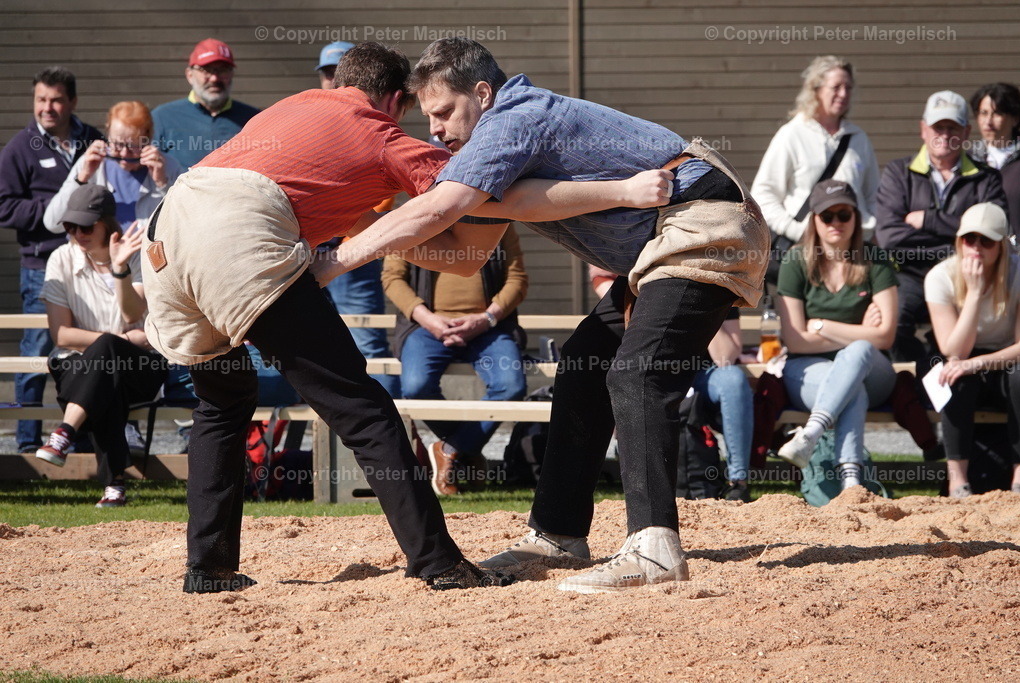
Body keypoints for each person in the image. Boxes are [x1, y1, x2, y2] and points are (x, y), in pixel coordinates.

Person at [142, 42, 669, 594]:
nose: (432, 126)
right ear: (394, 100)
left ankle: (208, 566)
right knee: (363, 410)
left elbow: (423, 240)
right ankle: (438, 561)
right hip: (236, 233)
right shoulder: (382, 133)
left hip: (165, 232)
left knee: (221, 403)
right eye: (422, 112)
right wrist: (622, 191)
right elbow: (496, 197)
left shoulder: (292, 106)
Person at [320, 38, 769, 594]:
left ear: (482, 94)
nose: (433, 128)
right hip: (667, 241)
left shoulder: (512, 118)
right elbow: (462, 254)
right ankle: (558, 533)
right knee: (583, 362)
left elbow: (439, 210)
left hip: (703, 226)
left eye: (442, 112)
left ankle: (655, 548)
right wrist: (360, 224)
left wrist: (331, 262)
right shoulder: (500, 142)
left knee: (638, 371)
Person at [34, 185, 164, 507]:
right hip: (86, 365)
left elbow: (131, 313)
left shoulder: (135, 254)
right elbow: (62, 336)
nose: (77, 233)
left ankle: (64, 432)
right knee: (107, 373)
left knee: (107, 359)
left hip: (140, 366)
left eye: (87, 226)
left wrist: (120, 269)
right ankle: (114, 486)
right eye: (70, 226)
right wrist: (117, 340)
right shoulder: (61, 260)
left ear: (107, 223)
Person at [0, 66, 103, 454]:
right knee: (37, 352)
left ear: (72, 102)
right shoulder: (20, 148)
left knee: (87, 352)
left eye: (57, 99)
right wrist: (61, 211)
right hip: (41, 267)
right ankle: (27, 442)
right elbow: (4, 208)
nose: (48, 108)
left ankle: (82, 439)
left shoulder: (94, 140)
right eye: (41, 99)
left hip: (91, 267)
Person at [773, 180, 898, 490]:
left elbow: (884, 338)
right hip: (807, 369)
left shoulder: (875, 259)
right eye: (827, 216)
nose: (836, 223)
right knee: (850, 386)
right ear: (814, 219)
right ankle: (852, 483)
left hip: (874, 369)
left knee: (858, 353)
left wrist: (821, 325)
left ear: (856, 217)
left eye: (844, 214)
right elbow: (794, 340)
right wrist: (862, 332)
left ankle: (810, 434)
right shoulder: (795, 261)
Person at [383, 229, 528, 496]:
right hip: (426, 326)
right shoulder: (412, 219)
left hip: (489, 326)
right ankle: (467, 451)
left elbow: (517, 279)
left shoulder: (499, 222)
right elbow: (392, 279)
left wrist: (485, 318)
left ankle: (450, 450)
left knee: (510, 386)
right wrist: (428, 319)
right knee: (416, 388)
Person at [875, 90, 1006, 364]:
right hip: (910, 272)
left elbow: (995, 229)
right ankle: (922, 374)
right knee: (893, 320)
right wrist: (959, 236)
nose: (944, 135)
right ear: (923, 130)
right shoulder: (898, 173)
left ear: (967, 131)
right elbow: (889, 238)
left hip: (966, 273)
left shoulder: (987, 179)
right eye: (937, 127)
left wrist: (929, 220)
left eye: (952, 127)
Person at [316, 40, 401, 397]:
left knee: (369, 350)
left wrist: (347, 244)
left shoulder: (376, 129)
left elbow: (382, 199)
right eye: (328, 75)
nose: (334, 83)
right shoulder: (312, 125)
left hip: (356, 259)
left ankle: (392, 438)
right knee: (310, 351)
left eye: (342, 76)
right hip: (308, 254)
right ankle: (307, 446)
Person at [925, 202, 1020, 498]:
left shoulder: (1019, 272)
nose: (976, 248)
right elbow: (952, 348)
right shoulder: (940, 276)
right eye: (970, 239)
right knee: (953, 378)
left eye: (987, 241)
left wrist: (977, 363)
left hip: (1006, 359)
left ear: (1002, 246)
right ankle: (958, 481)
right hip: (964, 358)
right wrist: (975, 293)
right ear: (959, 241)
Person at [751, 56, 879, 279]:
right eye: (836, 87)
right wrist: (802, 233)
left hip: (854, 258)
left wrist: (865, 234)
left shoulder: (859, 139)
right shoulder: (792, 134)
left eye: (848, 87)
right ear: (815, 89)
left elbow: (874, 197)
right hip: (803, 256)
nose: (843, 94)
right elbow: (763, 195)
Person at [44, 101, 183, 233]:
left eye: (133, 146)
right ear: (107, 134)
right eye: (117, 144)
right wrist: (82, 178)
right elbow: (53, 223)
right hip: (101, 256)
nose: (124, 153)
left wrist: (162, 183)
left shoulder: (167, 166)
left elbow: (185, 221)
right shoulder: (92, 163)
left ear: (149, 138)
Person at [152, 38, 260, 169]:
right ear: (190, 75)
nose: (215, 78)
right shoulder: (162, 117)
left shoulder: (254, 120)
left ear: (232, 74)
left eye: (223, 70)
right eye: (206, 70)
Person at [691, 309, 754, 502]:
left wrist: (704, 305)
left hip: (704, 375)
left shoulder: (719, 285)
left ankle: (738, 482)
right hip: (660, 369)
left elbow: (725, 358)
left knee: (733, 380)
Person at [969, 83, 1020, 246]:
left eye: (997, 113)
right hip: (979, 255)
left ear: (1015, 118)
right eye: (983, 113)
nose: (988, 122)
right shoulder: (968, 161)